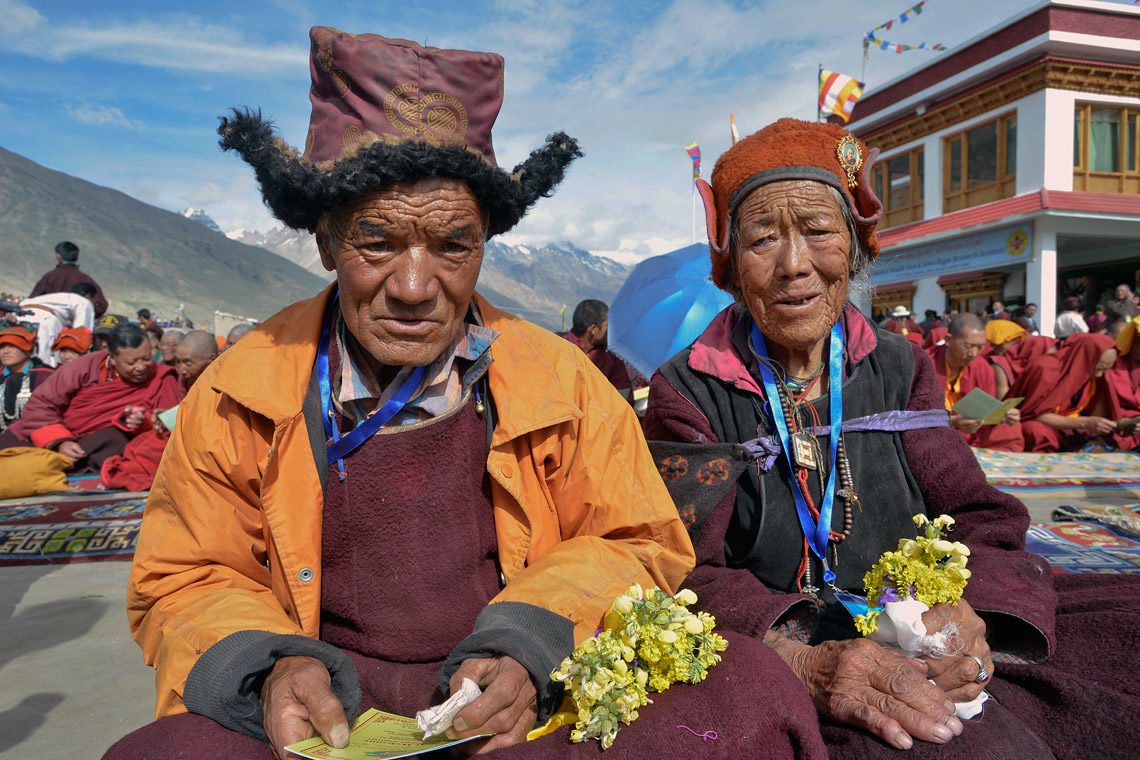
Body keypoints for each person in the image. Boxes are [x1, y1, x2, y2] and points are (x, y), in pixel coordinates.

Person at [102, 30, 780, 760]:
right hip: (322, 699)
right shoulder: (244, 388)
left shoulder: (561, 381)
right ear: (327, 245)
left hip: (514, 687)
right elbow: (183, 577)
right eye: (378, 242)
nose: (416, 287)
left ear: (484, 242)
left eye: (452, 245)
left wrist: (529, 644)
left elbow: (641, 540)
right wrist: (271, 667)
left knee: (747, 697)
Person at [644, 117, 1140, 758]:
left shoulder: (899, 367)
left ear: (855, 250)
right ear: (732, 267)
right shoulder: (690, 390)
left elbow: (977, 513)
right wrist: (804, 662)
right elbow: (675, 569)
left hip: (913, 639)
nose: (794, 266)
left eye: (818, 231)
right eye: (763, 239)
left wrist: (974, 616)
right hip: (778, 658)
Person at [0, 322, 183, 470]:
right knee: (11, 451)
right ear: (112, 357)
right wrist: (60, 442)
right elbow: (41, 404)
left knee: (116, 443)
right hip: (61, 430)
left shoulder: (162, 377)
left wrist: (144, 421)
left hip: (105, 440)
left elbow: (170, 423)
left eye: (146, 358)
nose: (141, 367)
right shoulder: (86, 366)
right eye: (132, 362)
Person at [1011, 332, 1121, 452]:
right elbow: (1030, 414)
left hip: (1074, 428)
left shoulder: (1099, 378)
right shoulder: (1046, 370)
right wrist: (1084, 423)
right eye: (1098, 368)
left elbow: (1098, 416)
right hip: (1047, 426)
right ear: (1084, 358)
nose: (1100, 374)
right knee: (1034, 430)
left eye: (1106, 369)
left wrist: (1119, 425)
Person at [929, 314, 1022, 450]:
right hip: (936, 428)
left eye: (980, 347)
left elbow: (985, 409)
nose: (973, 353)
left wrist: (1003, 415)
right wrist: (953, 422)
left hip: (971, 428)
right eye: (968, 346)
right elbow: (913, 415)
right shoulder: (925, 364)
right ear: (948, 340)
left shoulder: (982, 367)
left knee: (1011, 429)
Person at [561, 299, 634, 395]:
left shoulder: (611, 357)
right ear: (593, 329)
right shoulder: (559, 348)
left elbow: (622, 392)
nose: (610, 330)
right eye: (607, 325)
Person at [15, 283, 98, 366]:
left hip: (20, 315)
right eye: (95, 302)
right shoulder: (84, 302)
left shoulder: (55, 297)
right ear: (88, 297)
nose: (95, 305)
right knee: (46, 365)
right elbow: (80, 334)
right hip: (45, 321)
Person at [29, 241, 108, 317]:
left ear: (58, 256)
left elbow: (32, 301)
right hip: (76, 326)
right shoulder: (86, 279)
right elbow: (102, 305)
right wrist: (84, 315)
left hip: (49, 320)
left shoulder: (49, 277)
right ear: (77, 258)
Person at [0, 326, 53, 432]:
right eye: (2, 346)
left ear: (29, 350)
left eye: (12, 346)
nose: (5, 351)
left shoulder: (46, 376)